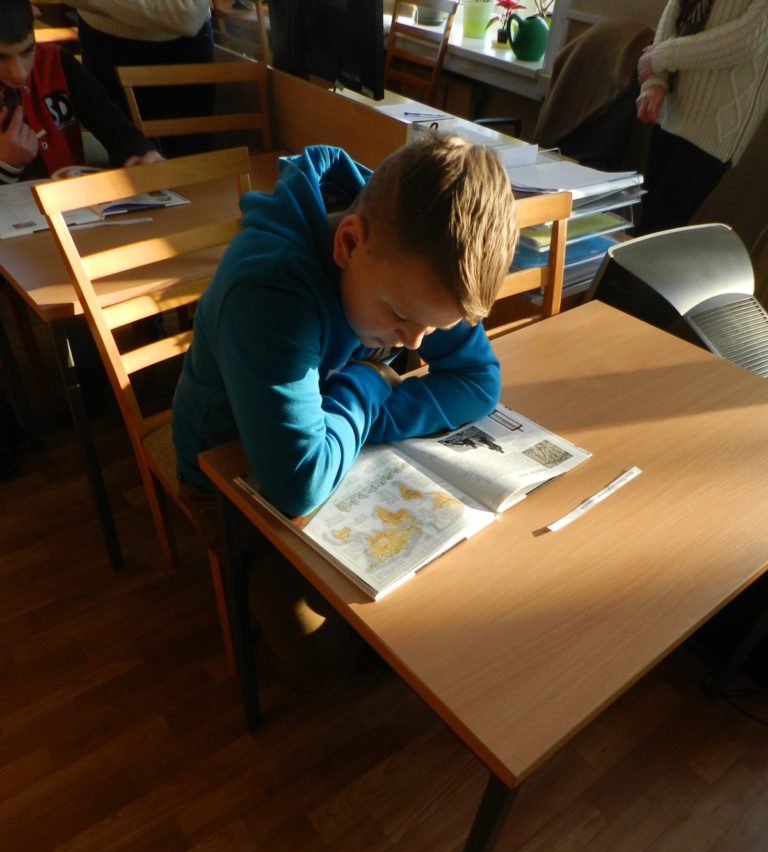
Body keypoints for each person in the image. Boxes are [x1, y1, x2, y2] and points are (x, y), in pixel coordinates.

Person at [172, 135, 518, 689]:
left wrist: (363, 416)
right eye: (400, 316)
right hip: (226, 472)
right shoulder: (269, 287)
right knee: (324, 658)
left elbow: (479, 380)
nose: (413, 342)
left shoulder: (421, 262)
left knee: (448, 591)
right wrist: (367, 383)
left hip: (331, 445)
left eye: (435, 329)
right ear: (349, 242)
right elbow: (298, 482)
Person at [635, 0, 768, 235]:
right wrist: (655, 81)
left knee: (656, 232)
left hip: (715, 131)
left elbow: (747, 41)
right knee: (637, 225)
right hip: (670, 112)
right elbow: (674, 11)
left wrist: (661, 57)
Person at [0, 0, 162, 183]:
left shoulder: (57, 62)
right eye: (1, 58)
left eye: (28, 50)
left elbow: (112, 124)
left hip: (73, 196)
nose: (20, 73)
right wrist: (6, 165)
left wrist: (140, 152)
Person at [63, 0, 215, 157]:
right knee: (131, 157)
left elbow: (187, 14)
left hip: (182, 49)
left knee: (191, 160)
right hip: (103, 44)